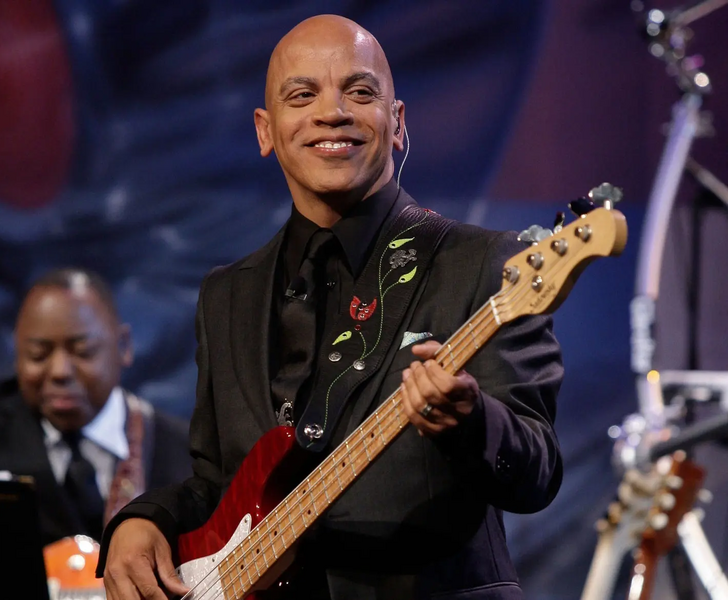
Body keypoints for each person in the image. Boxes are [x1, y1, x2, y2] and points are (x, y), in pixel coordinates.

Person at [98, 14, 564, 600]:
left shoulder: (485, 263)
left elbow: (537, 472)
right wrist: (146, 519)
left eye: (360, 92)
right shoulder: (228, 293)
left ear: (397, 122)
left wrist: (471, 423)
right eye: (302, 96)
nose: (332, 112)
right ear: (265, 131)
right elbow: (218, 482)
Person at [0, 268, 192, 547]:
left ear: (123, 346)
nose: (60, 371)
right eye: (38, 354)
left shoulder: (186, 453)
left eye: (83, 351)